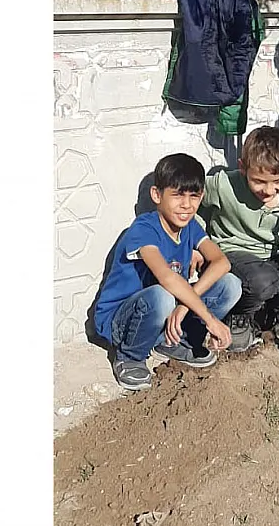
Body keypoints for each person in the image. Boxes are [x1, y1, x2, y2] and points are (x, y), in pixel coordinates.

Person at [92, 153, 240, 393]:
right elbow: (166, 277)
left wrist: (183, 308)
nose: (186, 205)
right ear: (156, 195)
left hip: (167, 311)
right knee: (162, 296)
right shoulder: (144, 229)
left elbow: (222, 262)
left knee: (230, 285)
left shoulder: (190, 226)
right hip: (123, 321)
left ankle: (173, 340)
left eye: (194, 196)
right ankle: (130, 356)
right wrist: (210, 319)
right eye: (177, 195)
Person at [198, 126, 279, 351]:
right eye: (258, 181)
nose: (269, 190)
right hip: (236, 250)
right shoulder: (222, 185)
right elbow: (192, 204)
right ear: (242, 168)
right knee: (263, 280)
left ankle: (278, 308)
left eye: (277, 180)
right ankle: (242, 316)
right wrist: (195, 245)